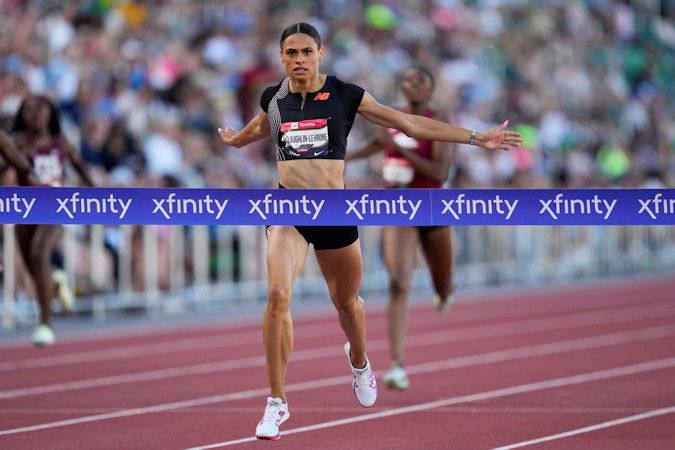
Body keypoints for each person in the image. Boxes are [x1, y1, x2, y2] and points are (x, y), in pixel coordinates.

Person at [218, 22, 522, 441]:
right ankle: (276, 402)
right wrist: (236, 141)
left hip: (335, 211)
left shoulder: (346, 94)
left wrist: (475, 137)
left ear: (320, 54)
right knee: (277, 295)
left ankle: (360, 361)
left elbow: (408, 123)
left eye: (307, 52)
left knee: (347, 304)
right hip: (288, 209)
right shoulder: (273, 98)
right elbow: (261, 126)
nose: (299, 60)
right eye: (291, 53)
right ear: (281, 57)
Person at [347, 65, 456, 391]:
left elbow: (440, 173)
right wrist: (343, 159)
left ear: (430, 88)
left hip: (433, 207)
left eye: (419, 81)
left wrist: (402, 149)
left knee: (443, 283)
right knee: (398, 282)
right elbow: (378, 144)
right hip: (398, 207)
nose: (412, 85)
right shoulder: (391, 116)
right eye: (407, 81)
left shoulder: (439, 119)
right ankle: (397, 366)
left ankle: (444, 292)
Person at [1, 95, 94, 346]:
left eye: (40, 110)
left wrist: (100, 196)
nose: (35, 115)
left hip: (56, 204)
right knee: (33, 266)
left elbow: (81, 168)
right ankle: (54, 280)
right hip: (26, 208)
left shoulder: (61, 143)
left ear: (51, 114)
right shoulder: (17, 143)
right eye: (29, 110)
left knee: (40, 252)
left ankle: (45, 324)